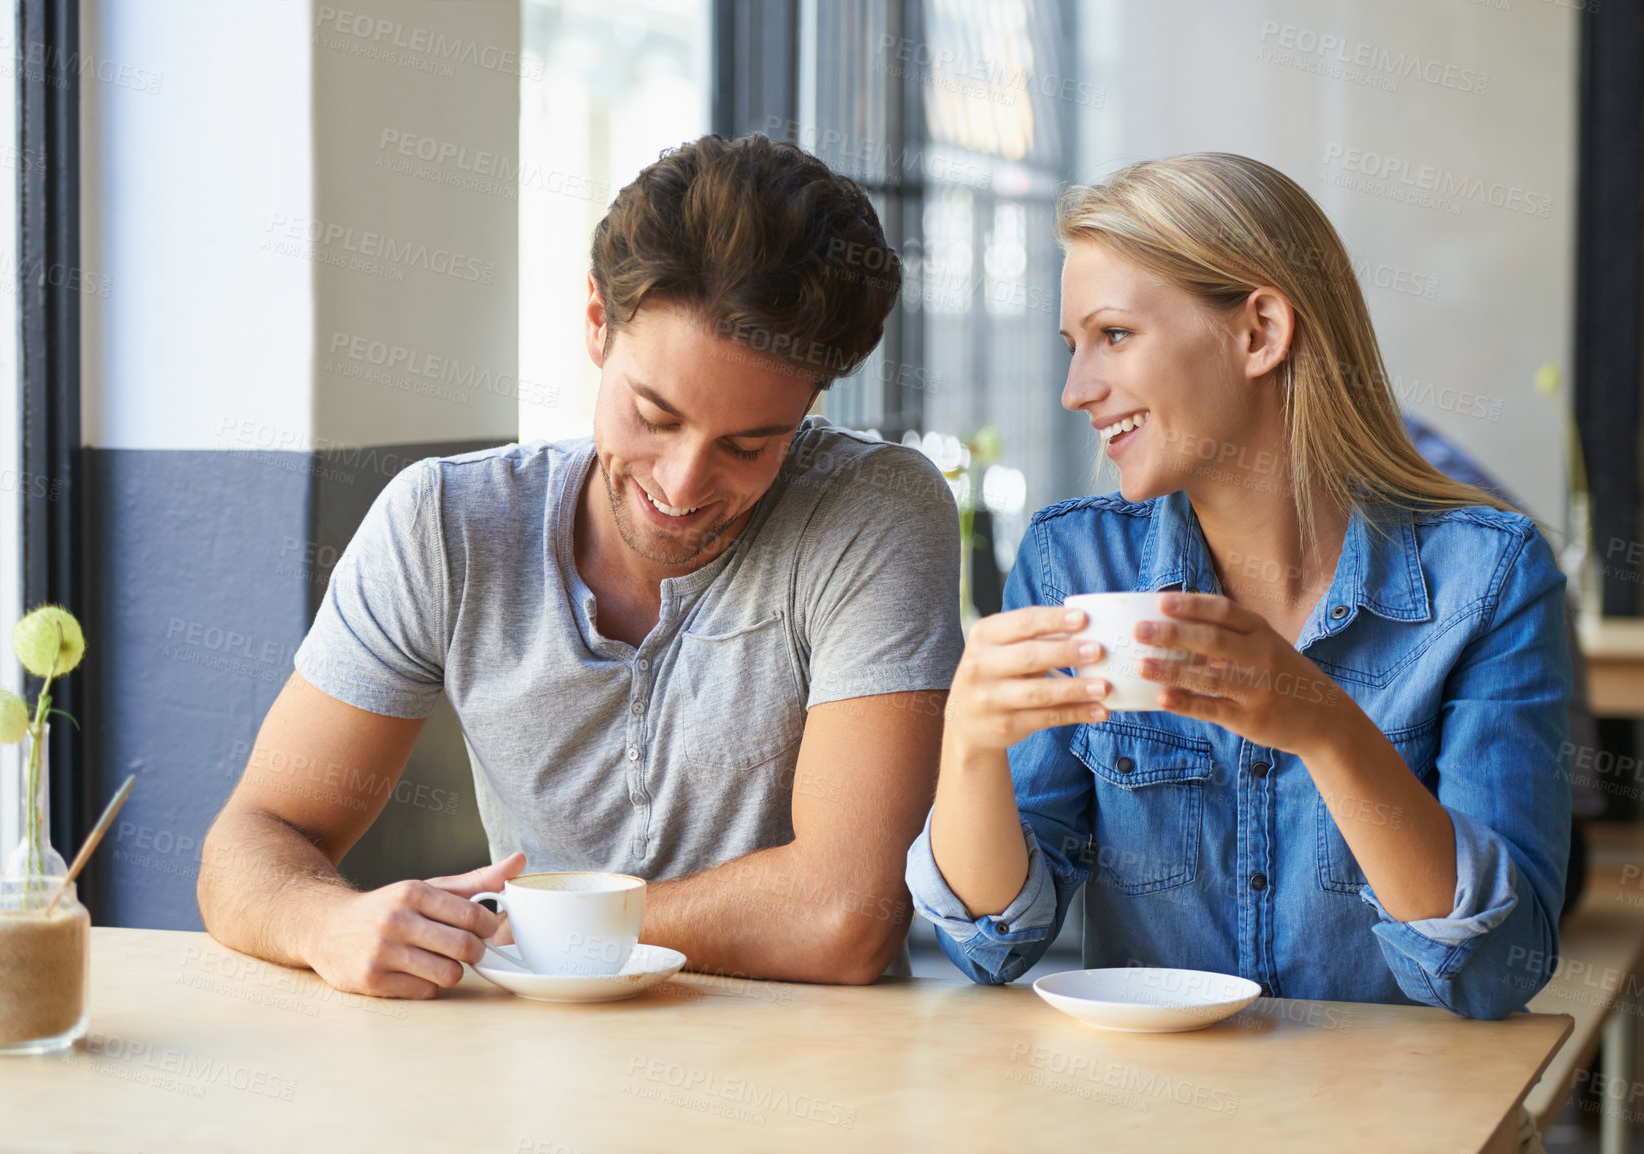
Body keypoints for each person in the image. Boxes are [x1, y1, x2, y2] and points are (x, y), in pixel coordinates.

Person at [199, 134, 964, 998]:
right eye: (654, 414)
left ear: (811, 404)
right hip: (535, 1085)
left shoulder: (873, 512)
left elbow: (845, 918)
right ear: (597, 320)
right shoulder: (446, 525)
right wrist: (322, 921)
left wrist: (517, 931)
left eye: (750, 446)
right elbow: (254, 837)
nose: (683, 485)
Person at [907, 153, 1571, 1023]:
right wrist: (969, 747)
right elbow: (995, 944)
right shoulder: (1076, 562)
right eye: (1073, 349)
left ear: (1259, 330)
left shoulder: (1487, 578)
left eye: (1113, 336)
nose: (1077, 391)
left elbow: (1494, 970)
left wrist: (1326, 728)